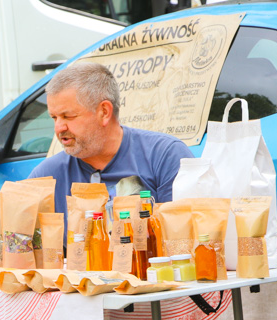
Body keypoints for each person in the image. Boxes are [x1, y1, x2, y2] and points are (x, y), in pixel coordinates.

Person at [28, 61, 193, 213]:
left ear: (104, 112)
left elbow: (184, 235)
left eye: (68, 116)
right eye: (54, 118)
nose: (59, 128)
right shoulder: (46, 177)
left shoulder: (164, 156)